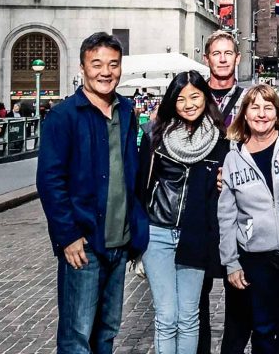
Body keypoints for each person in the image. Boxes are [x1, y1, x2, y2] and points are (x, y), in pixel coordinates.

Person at [36, 32, 149, 354]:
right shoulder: (64, 116)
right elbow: (50, 181)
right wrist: (67, 235)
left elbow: (131, 171)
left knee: (107, 331)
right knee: (77, 335)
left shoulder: (126, 111)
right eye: (96, 64)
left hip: (119, 242)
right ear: (83, 67)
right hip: (84, 244)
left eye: (113, 64)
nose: (105, 71)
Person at [217, 84, 279, 354]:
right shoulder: (234, 158)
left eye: (268, 107)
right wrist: (231, 263)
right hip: (256, 257)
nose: (261, 114)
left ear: (277, 113)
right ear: (244, 114)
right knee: (262, 329)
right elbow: (226, 216)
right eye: (255, 107)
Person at [137, 71, 227, 354]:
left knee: (189, 317)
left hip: (196, 233)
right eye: (181, 98)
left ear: (205, 97)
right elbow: (141, 184)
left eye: (195, 96)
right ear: (171, 102)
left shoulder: (220, 140)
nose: (188, 104)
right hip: (158, 232)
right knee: (166, 316)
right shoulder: (155, 136)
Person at [196, 30, 250, 354]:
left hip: (238, 206)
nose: (222, 58)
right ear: (207, 59)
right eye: (216, 53)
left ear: (237, 58)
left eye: (228, 53)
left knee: (239, 293)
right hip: (201, 207)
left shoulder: (247, 99)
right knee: (196, 294)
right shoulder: (193, 96)